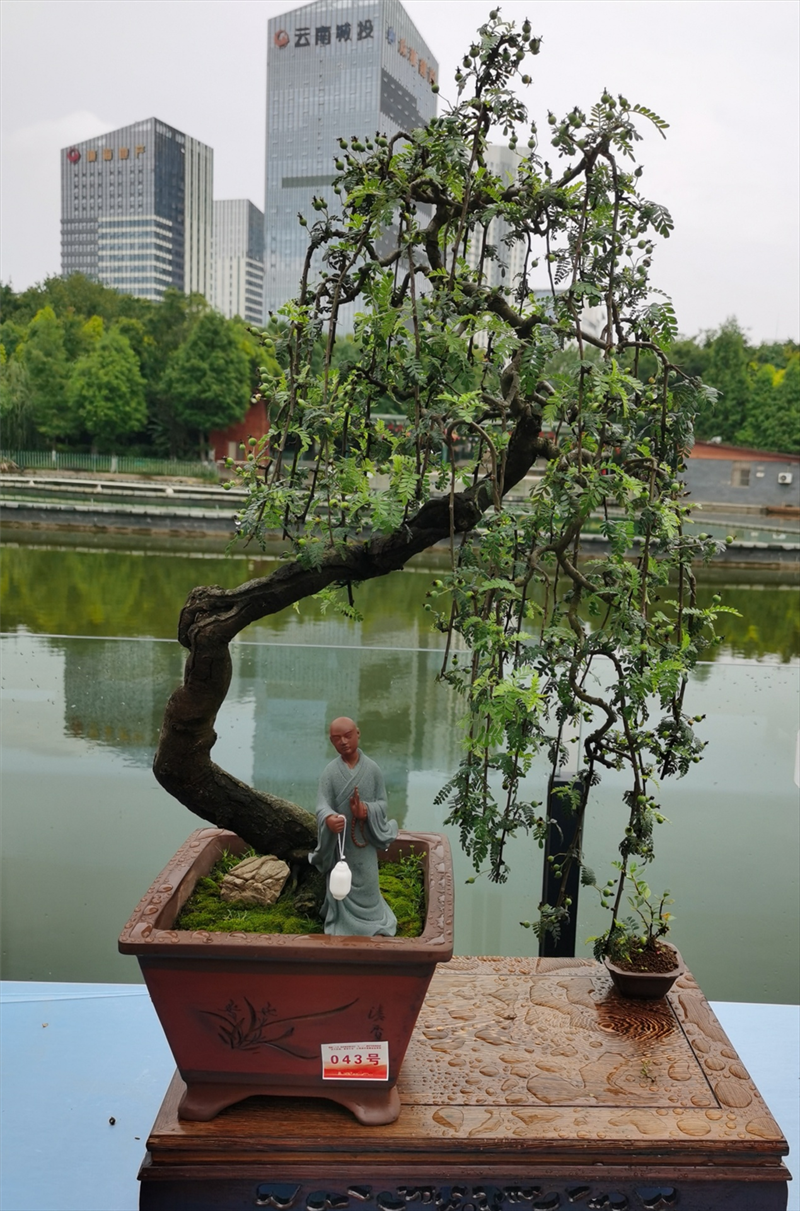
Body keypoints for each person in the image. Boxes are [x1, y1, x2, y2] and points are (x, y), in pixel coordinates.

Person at [308, 716, 398, 936]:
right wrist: (330, 819)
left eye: (348, 736)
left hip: (364, 842)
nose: (343, 742)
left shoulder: (372, 769)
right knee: (341, 883)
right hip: (342, 843)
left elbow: (383, 803)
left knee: (368, 880)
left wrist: (365, 811)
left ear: (357, 734)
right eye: (337, 738)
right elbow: (322, 805)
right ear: (332, 741)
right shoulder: (330, 772)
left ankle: (373, 919)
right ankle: (342, 920)